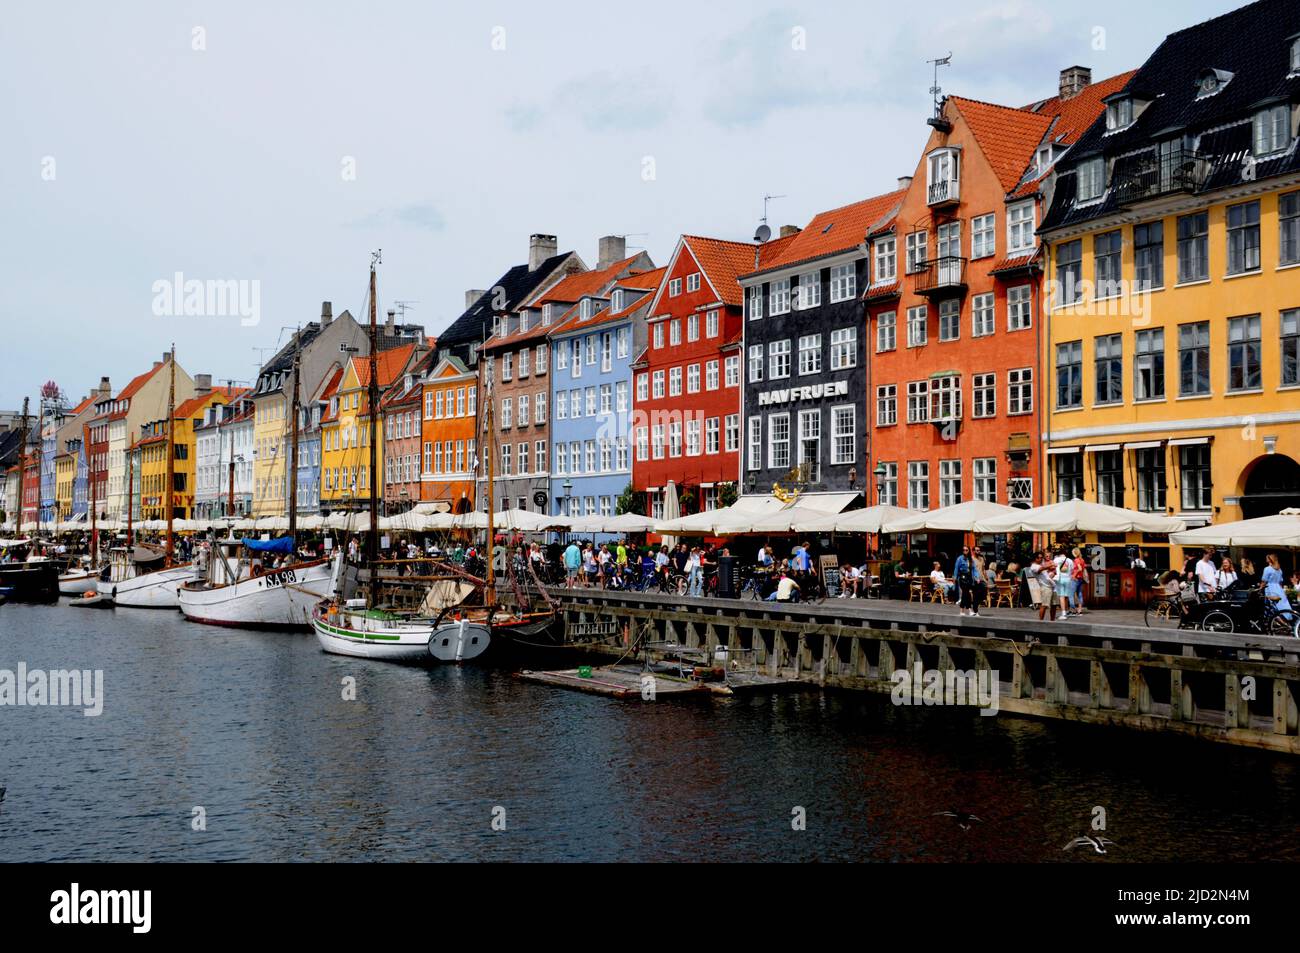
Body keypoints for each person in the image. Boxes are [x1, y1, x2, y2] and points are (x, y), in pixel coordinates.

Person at [953, 546, 974, 616]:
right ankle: (969, 610)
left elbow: (973, 569)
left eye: (966, 550)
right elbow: (956, 568)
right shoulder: (960, 558)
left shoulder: (970, 559)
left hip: (969, 578)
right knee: (966, 593)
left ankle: (962, 611)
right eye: (963, 550)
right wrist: (955, 577)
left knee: (966, 593)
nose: (965, 551)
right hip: (962, 577)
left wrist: (976, 577)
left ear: (969, 551)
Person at [1070, 547, 1088, 614]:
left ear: (1075, 553)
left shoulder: (1076, 560)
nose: (1072, 553)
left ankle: (1073, 608)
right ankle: (1080, 609)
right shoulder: (1082, 560)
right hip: (1080, 578)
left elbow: (1080, 569)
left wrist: (1074, 575)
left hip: (1075, 578)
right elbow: (1082, 569)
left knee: (1071, 594)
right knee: (1079, 594)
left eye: (1072, 552)